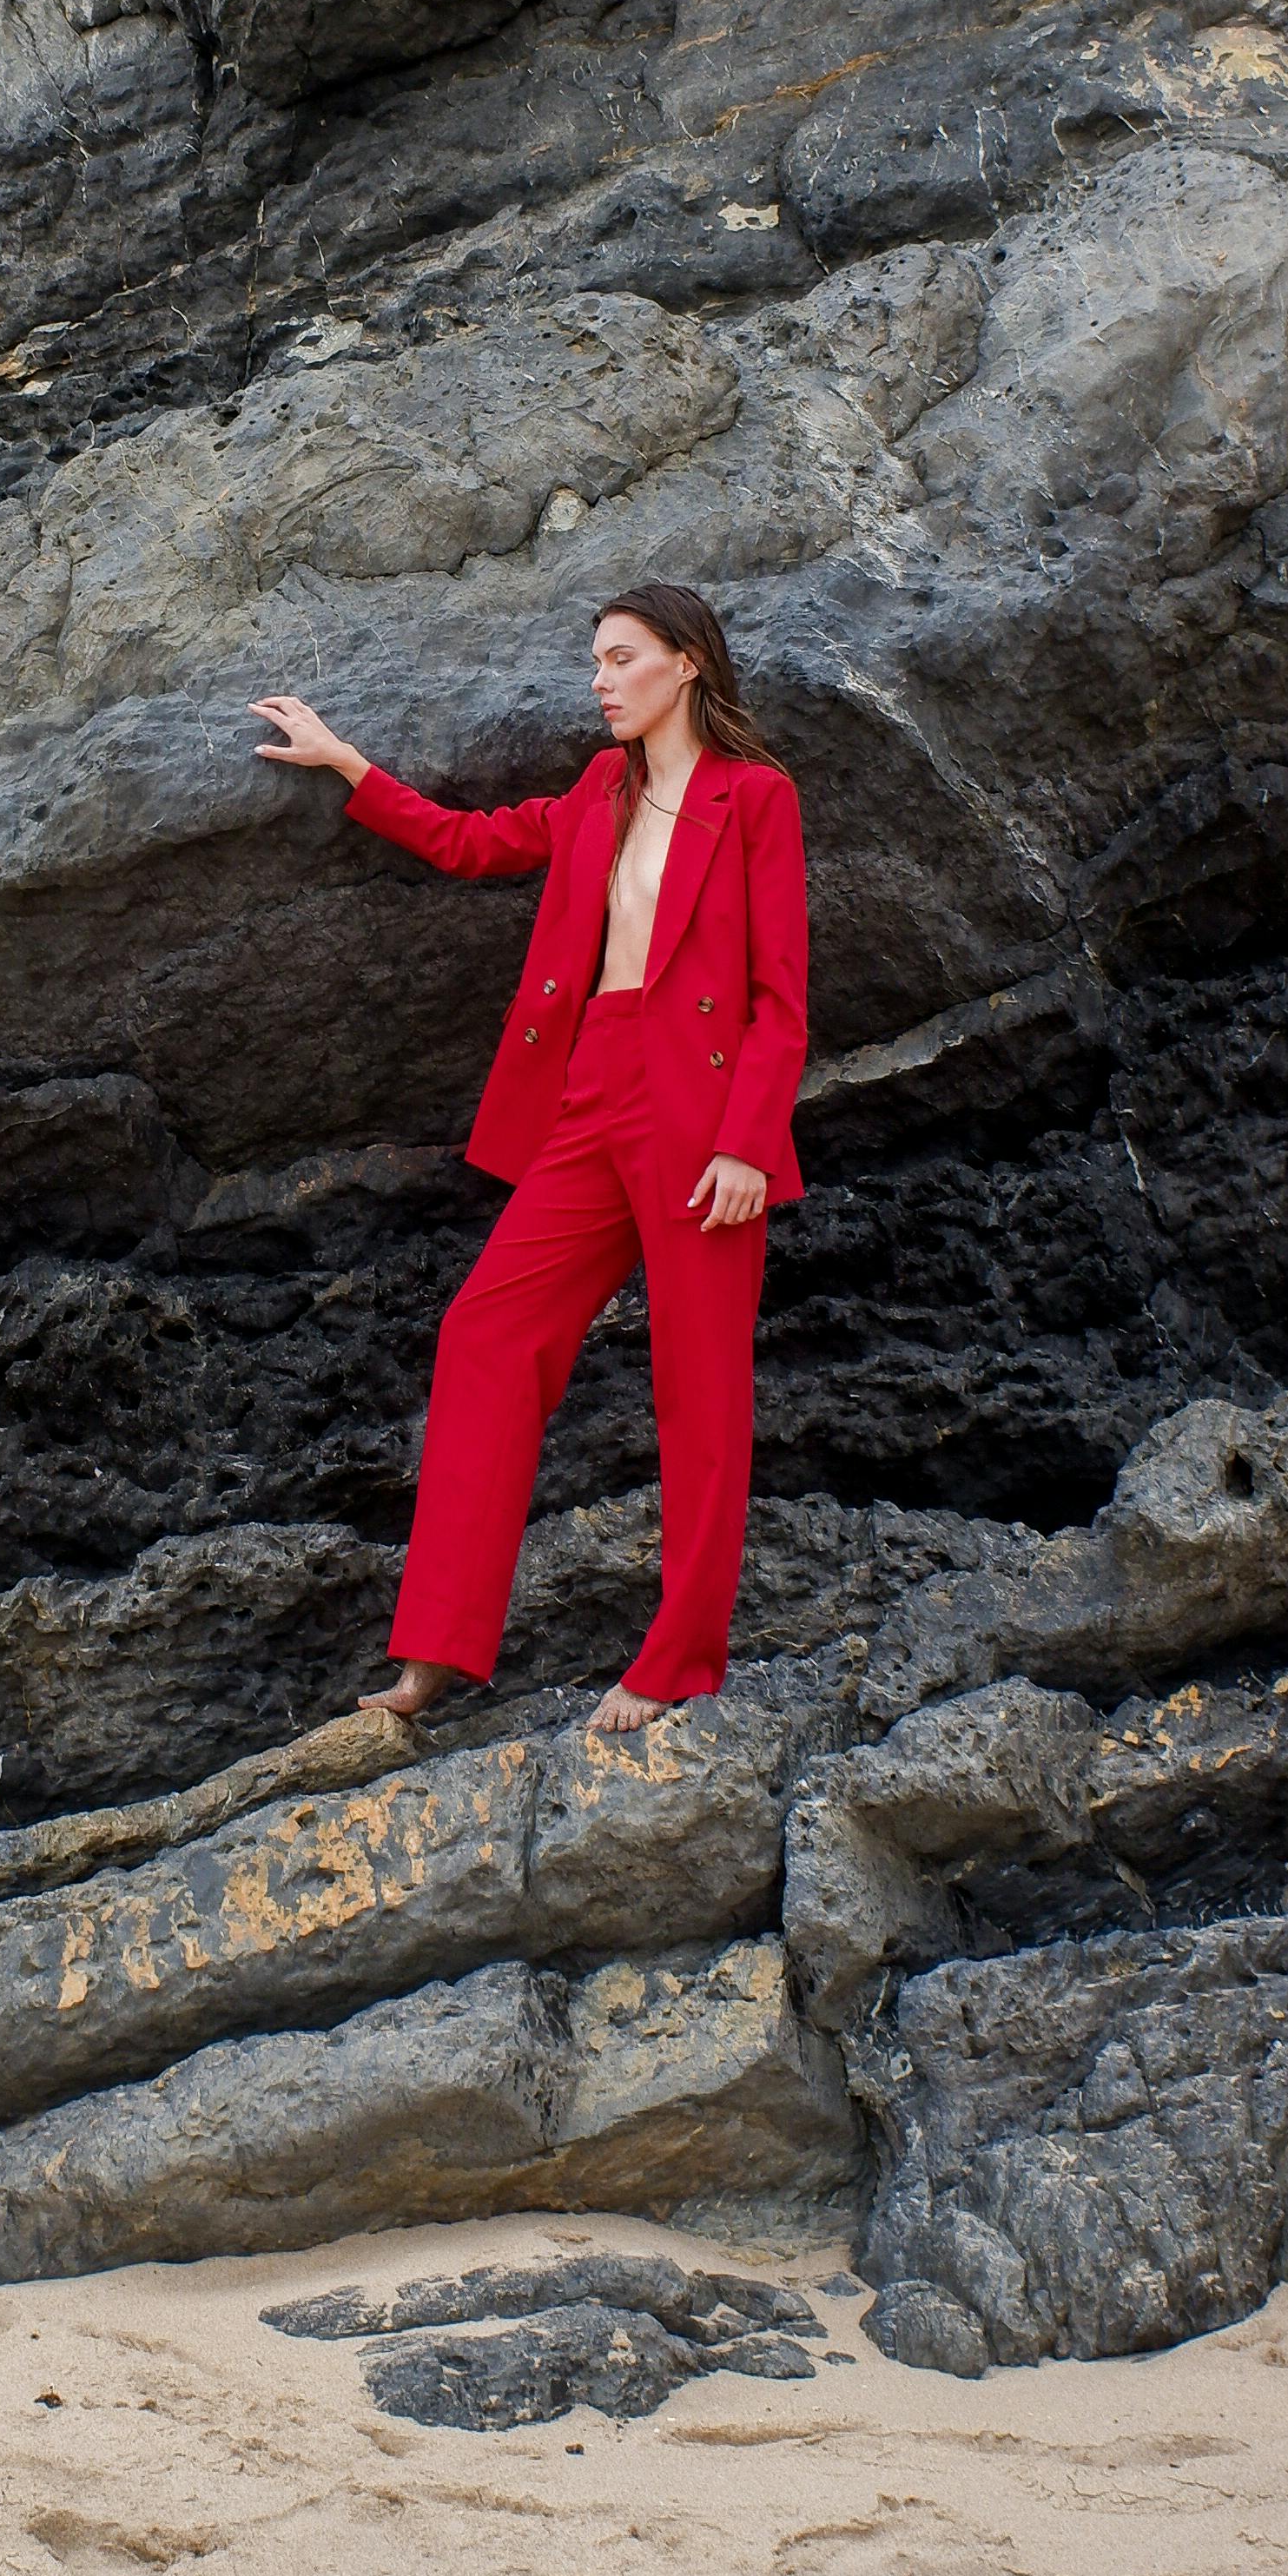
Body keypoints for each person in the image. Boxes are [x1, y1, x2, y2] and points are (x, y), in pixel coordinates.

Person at [252, 583, 808, 1737]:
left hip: (705, 1122)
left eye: (622, 657)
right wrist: (348, 762)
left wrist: (752, 1143)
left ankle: (677, 1662)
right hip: (592, 1099)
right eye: (596, 660)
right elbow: (468, 844)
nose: (600, 679)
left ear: (687, 665)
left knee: (699, 1395)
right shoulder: (601, 789)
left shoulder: (757, 799)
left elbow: (779, 999)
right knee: (487, 1335)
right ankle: (438, 1652)